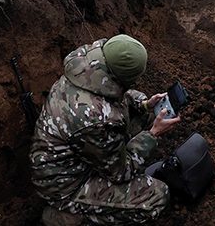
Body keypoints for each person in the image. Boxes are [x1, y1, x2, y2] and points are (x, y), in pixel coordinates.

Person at [29, 34, 181, 226]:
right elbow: (121, 172)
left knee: (145, 116)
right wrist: (152, 135)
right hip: (65, 184)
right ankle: (66, 216)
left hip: (74, 153)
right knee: (156, 196)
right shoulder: (96, 119)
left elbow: (115, 98)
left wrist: (144, 105)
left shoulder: (86, 65)